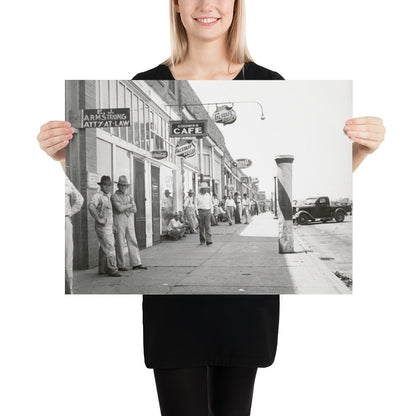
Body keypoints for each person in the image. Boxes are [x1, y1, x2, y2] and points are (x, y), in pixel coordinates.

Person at [36, 0, 385, 414]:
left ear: (237, 6)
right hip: (173, 315)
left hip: (245, 311)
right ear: (176, 6)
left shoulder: (269, 81)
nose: (207, 5)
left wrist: (361, 153)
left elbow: (335, 166)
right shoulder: (143, 81)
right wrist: (60, 154)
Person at [111, 175, 147, 271]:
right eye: (121, 185)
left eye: (125, 185)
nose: (123, 187)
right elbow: (119, 209)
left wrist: (125, 207)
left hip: (128, 218)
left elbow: (135, 209)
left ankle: (136, 263)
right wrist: (129, 205)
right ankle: (121, 265)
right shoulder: (114, 196)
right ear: (118, 185)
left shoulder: (129, 195)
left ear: (127, 186)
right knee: (120, 241)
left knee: (132, 239)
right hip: (119, 219)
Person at [88, 176, 121, 278]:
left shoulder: (108, 196)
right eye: (105, 185)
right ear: (101, 185)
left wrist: (113, 226)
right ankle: (112, 269)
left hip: (108, 226)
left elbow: (110, 213)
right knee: (110, 246)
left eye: (109, 185)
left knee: (104, 247)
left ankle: (102, 268)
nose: (107, 187)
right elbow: (91, 206)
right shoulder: (98, 196)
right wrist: (98, 219)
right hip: (102, 226)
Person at [65, 174, 84, 294]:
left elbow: (79, 200)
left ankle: (68, 291)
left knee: (67, 260)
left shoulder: (64, 179)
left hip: (63, 221)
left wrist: (68, 215)